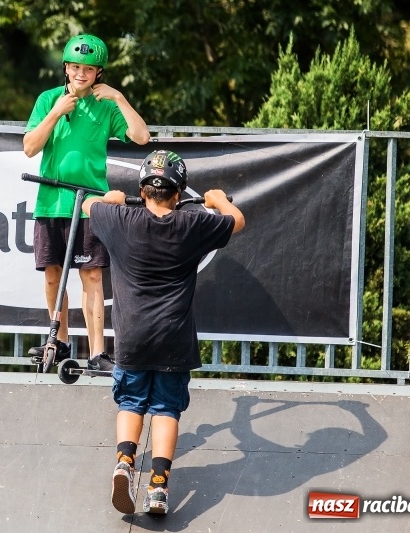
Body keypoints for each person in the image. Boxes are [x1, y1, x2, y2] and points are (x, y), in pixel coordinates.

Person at [82, 149, 246, 515]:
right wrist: (217, 200)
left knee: (130, 401)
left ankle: (125, 461)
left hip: (132, 338)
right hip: (174, 339)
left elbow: (88, 206)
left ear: (142, 191)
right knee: (166, 408)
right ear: (178, 193)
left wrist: (109, 198)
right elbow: (236, 220)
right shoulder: (192, 226)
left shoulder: (117, 219)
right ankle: (158, 486)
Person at [23, 33, 150, 372]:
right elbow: (30, 147)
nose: (81, 74)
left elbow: (141, 137)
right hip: (51, 202)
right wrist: (55, 112)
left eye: (89, 69)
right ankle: (60, 343)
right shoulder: (48, 98)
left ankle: (97, 352)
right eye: (75, 67)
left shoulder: (107, 105)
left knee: (91, 275)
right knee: (52, 276)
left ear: (99, 73)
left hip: (90, 204)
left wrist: (120, 98)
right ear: (65, 68)